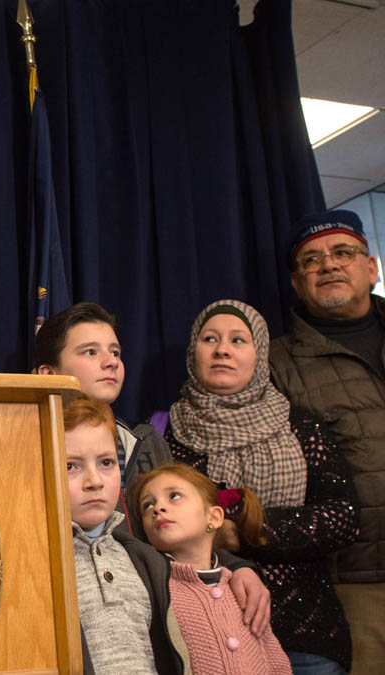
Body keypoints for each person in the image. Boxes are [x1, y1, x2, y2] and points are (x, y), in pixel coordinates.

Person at [164, 299, 357, 673]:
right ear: (193, 353)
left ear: (260, 354)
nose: (222, 349)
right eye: (210, 339)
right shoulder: (168, 435)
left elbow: (341, 518)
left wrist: (244, 533)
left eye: (238, 340)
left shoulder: (300, 426)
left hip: (304, 631)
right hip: (209, 636)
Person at [63, 397, 269, 675]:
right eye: (70, 467)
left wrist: (237, 566)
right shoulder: (40, 561)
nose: (95, 481)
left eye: (107, 462)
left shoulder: (146, 562)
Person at [269, 209, 385, 674]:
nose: (329, 265)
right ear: (297, 284)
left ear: (371, 266)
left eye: (343, 252)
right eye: (311, 261)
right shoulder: (273, 364)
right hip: (356, 588)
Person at [133, 463, 292, 674]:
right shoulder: (155, 589)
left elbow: (273, 658)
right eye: (147, 505)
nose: (157, 508)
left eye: (174, 496)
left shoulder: (239, 587)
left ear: (214, 517)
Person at [35, 302, 171, 494]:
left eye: (115, 352)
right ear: (49, 373)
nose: (112, 362)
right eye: (91, 352)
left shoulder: (149, 441)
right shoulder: (29, 442)